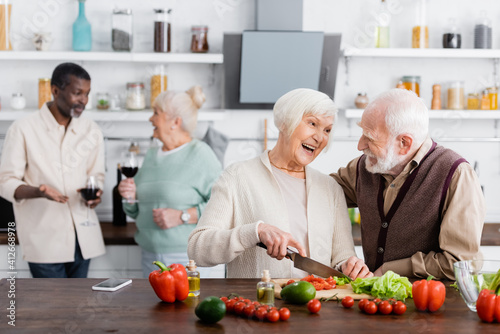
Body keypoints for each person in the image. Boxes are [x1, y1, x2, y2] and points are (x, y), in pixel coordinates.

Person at [188, 88, 372, 279]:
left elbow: (343, 257)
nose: (319, 137)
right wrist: (255, 232)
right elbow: (197, 249)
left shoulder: (330, 188)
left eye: (327, 130)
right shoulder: (237, 177)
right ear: (284, 123)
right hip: (258, 305)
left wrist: (350, 266)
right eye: (312, 123)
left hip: (318, 306)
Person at [331, 88, 485, 280]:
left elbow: (461, 262)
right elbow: (321, 193)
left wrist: (391, 270)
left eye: (369, 137)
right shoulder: (364, 167)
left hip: (432, 303)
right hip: (373, 301)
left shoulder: (456, 174)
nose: (360, 146)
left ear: (404, 143)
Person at [0, 62, 105, 278]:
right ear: (56, 90)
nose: (83, 100)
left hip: (83, 238)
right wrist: (39, 191)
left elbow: (97, 176)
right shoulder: (23, 129)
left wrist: (96, 194)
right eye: (77, 93)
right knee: (53, 311)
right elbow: (5, 182)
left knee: (79, 308)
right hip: (44, 240)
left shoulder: (91, 130)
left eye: (87, 94)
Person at [118, 86, 222, 278]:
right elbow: (136, 211)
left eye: (156, 113)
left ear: (175, 121)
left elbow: (224, 205)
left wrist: (182, 216)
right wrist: (130, 198)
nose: (151, 119)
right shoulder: (151, 155)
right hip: (150, 257)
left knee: (191, 308)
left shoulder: (201, 154)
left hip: (188, 258)